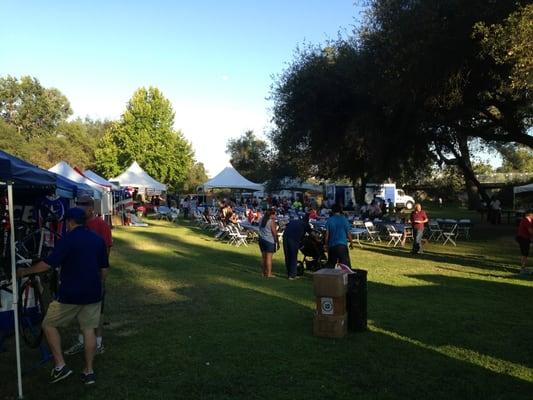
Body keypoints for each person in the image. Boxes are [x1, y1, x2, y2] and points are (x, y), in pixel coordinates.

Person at [17, 208, 108, 385]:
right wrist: (99, 286)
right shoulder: (98, 240)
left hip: (70, 294)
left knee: (48, 324)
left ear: (70, 222)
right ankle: (89, 371)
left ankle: (60, 366)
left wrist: (25, 271)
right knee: (89, 330)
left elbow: (47, 265)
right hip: (93, 293)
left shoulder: (67, 240)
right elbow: (104, 270)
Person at [64, 196, 112, 356]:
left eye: (83, 206)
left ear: (91, 208)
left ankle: (98, 343)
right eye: (78, 205)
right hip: (78, 274)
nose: (80, 208)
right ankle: (81, 341)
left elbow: (106, 251)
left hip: (96, 274)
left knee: (97, 311)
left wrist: (101, 274)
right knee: (81, 309)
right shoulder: (76, 223)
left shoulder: (101, 225)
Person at [283, 214, 311, 280]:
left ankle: (289, 272)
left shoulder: (294, 221)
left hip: (285, 237)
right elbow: (311, 233)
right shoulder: (305, 224)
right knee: (293, 256)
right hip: (293, 239)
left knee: (287, 255)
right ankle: (292, 275)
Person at [258, 209, 279, 277]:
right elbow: (274, 233)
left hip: (261, 239)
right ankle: (269, 273)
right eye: (274, 214)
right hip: (269, 241)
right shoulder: (271, 221)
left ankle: (263, 272)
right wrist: (277, 241)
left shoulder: (261, 219)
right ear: (271, 215)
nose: (275, 216)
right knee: (269, 258)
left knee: (263, 257)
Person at [516, 210, 533, 275]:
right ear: (530, 214)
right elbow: (530, 231)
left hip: (525, 238)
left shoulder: (529, 220)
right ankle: (522, 268)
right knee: (525, 253)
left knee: (525, 253)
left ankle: (523, 267)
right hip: (523, 238)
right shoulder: (526, 220)